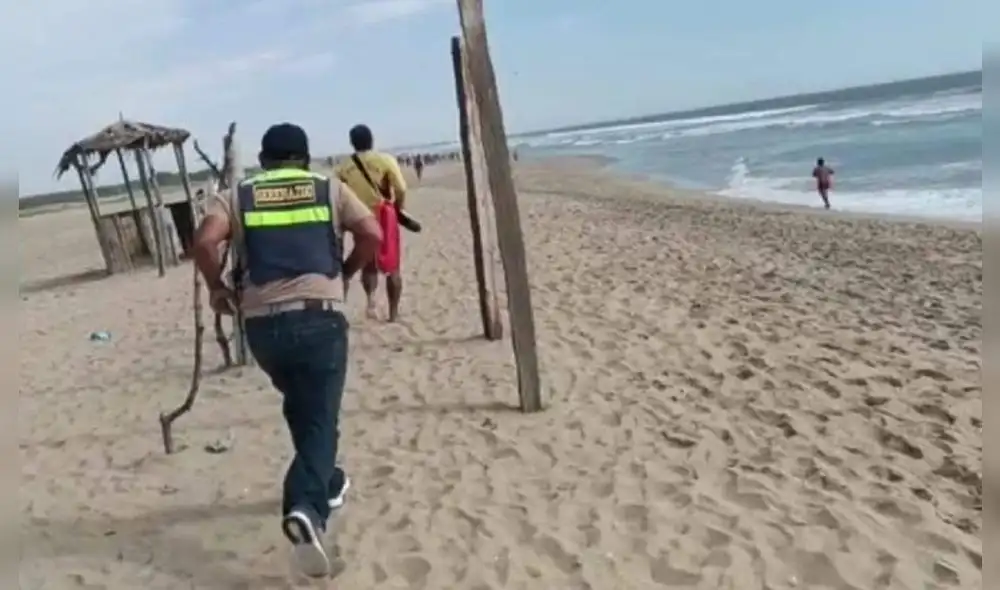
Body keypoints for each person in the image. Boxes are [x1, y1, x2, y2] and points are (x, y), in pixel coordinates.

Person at [191, 123, 382, 578]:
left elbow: (203, 242)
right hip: (319, 316)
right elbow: (371, 234)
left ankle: (328, 481)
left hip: (263, 327)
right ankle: (304, 509)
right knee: (320, 417)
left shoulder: (239, 195)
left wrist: (217, 288)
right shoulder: (327, 188)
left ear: (263, 158)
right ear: (303, 156)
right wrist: (349, 272)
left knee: (302, 406)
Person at [334, 124, 409, 321]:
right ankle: (393, 314)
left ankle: (371, 303)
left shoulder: (344, 166)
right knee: (392, 265)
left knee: (368, 262)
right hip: (384, 214)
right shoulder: (385, 160)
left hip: (359, 217)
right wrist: (398, 210)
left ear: (352, 143)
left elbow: (339, 193)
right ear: (372, 139)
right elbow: (401, 189)